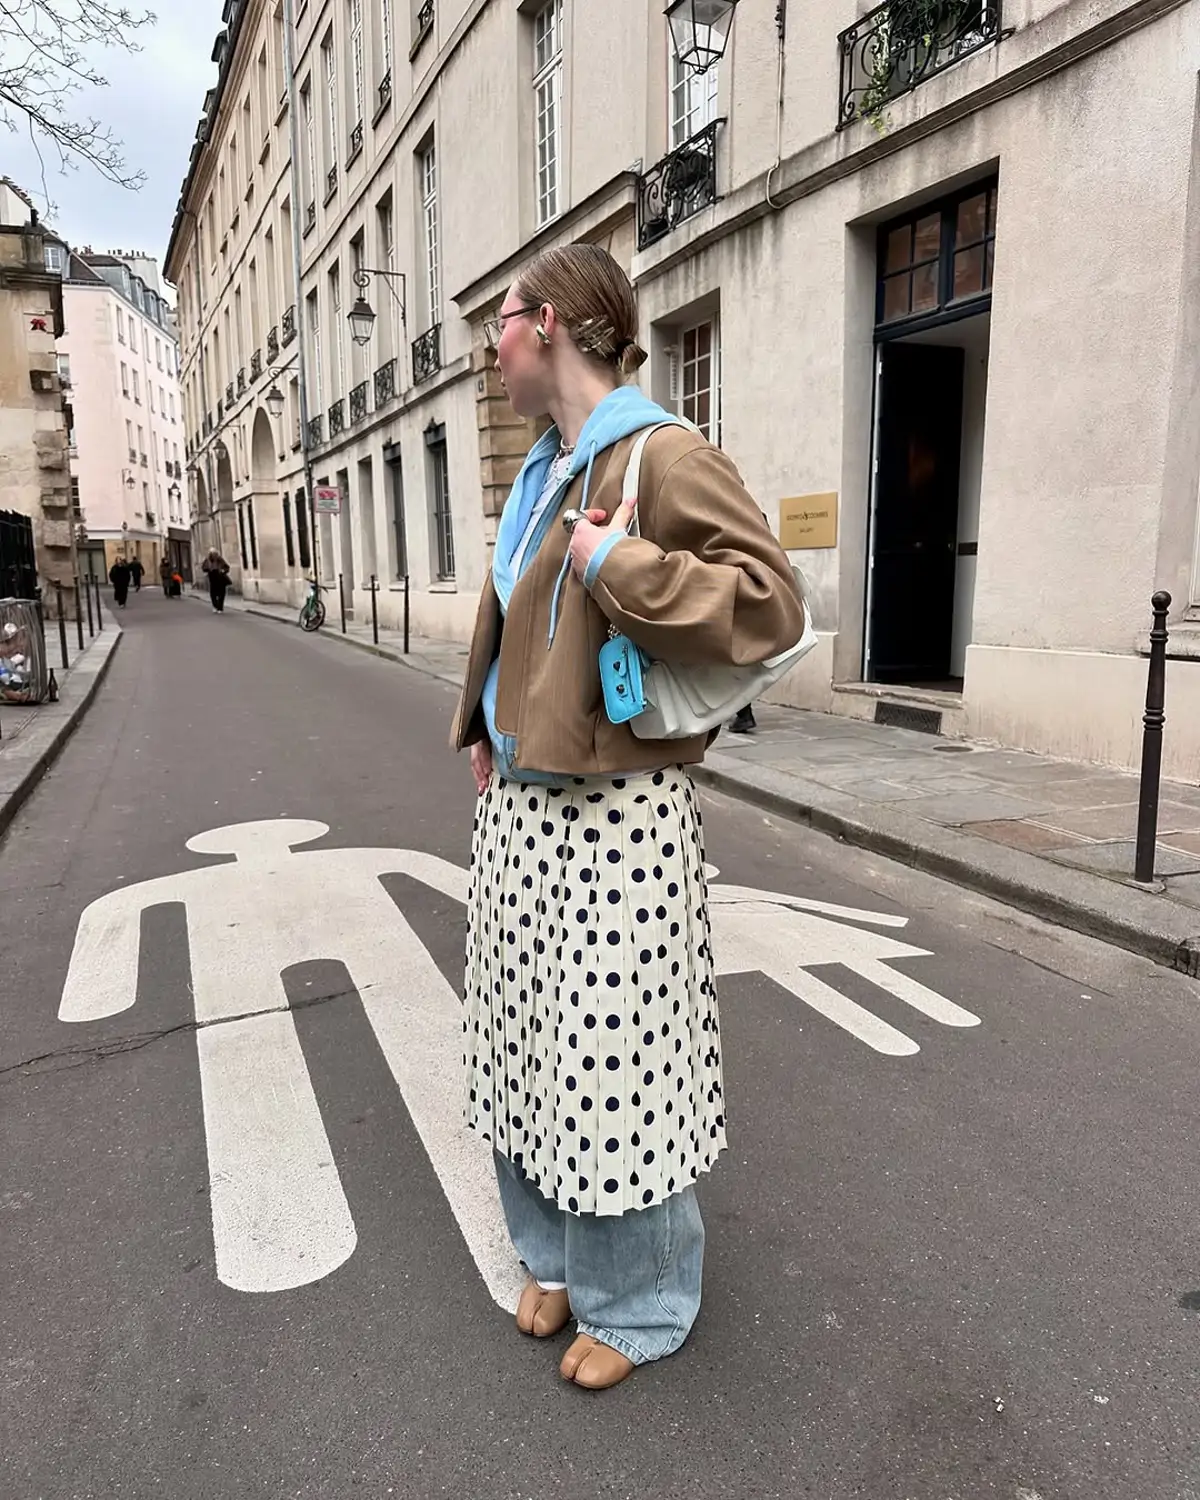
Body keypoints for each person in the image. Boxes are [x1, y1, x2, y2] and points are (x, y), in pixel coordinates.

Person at [450, 243, 804, 1392]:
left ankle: (641, 1297)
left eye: (497, 322)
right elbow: (510, 607)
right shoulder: (540, 468)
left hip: (621, 812)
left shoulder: (659, 453)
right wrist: (480, 721)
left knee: (617, 1064)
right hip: (525, 808)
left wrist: (626, 564)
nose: (486, 347)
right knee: (527, 1047)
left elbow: (771, 602)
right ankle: (553, 1251)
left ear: (547, 323)